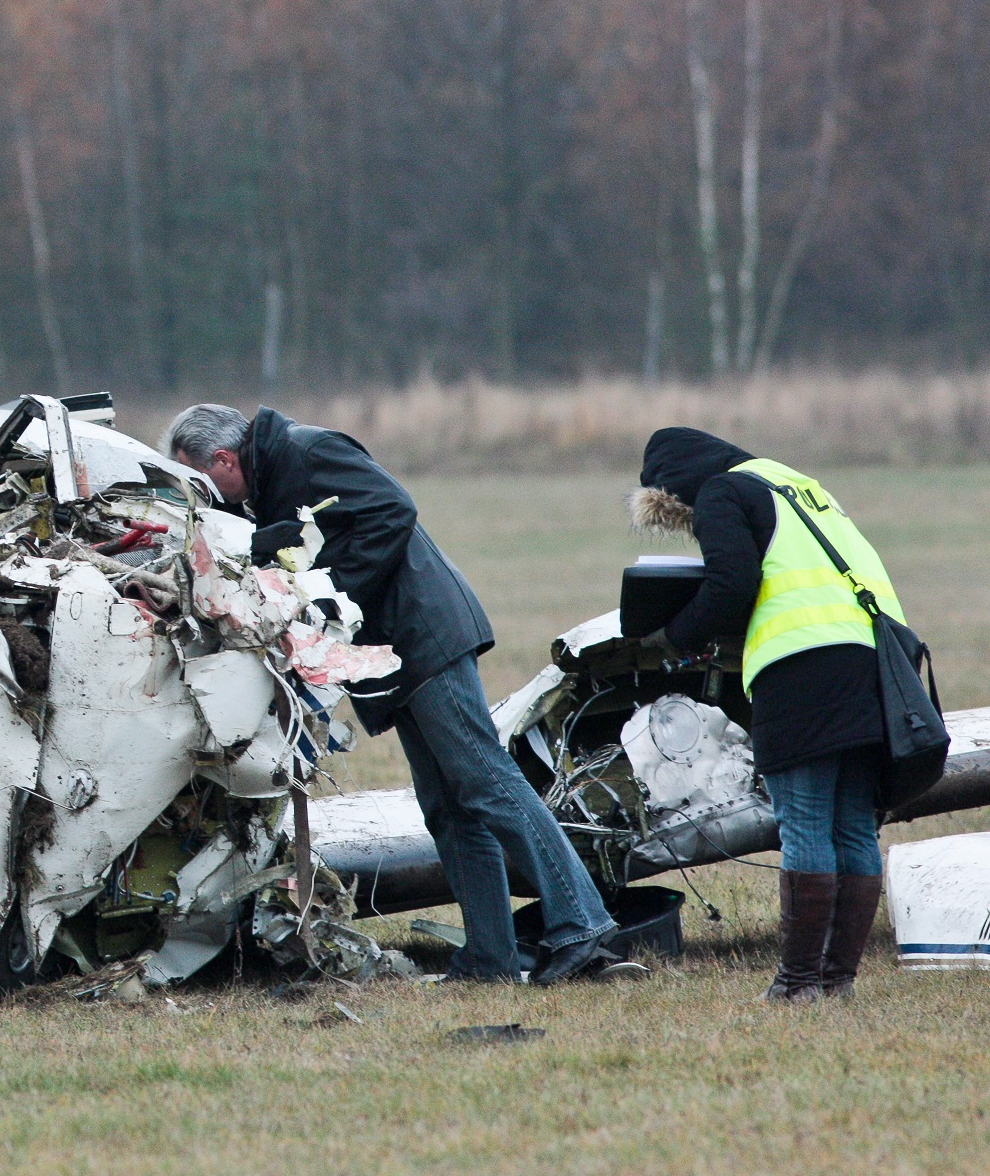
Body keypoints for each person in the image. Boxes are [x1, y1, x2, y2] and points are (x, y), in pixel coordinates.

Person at [165, 402, 626, 984]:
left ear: (226, 459)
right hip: (394, 653)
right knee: (449, 809)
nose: (211, 496)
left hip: (423, 636)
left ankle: (582, 926)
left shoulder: (309, 452)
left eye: (206, 481)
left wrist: (328, 596)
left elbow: (393, 510)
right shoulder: (274, 477)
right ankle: (491, 959)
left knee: (488, 784)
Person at [634, 427, 900, 1001]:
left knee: (803, 823)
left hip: (803, 669)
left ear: (674, 486)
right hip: (873, 664)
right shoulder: (793, 483)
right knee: (852, 822)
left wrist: (675, 636)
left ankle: (797, 983)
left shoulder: (721, 492)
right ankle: (838, 982)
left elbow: (733, 584)